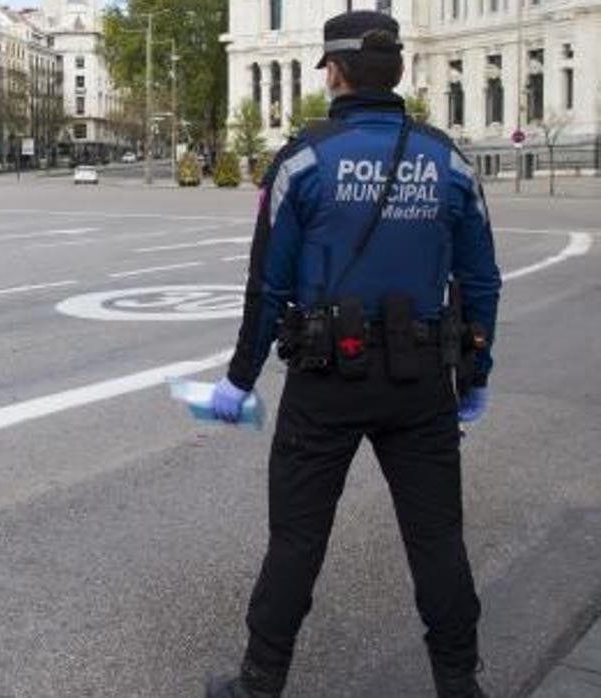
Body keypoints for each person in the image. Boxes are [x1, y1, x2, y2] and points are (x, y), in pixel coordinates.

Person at [204, 11, 500, 698]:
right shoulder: (448, 158)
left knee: (297, 542)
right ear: (398, 74)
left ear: (334, 73)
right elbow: (481, 280)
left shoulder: (304, 158)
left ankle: (259, 682)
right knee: (437, 542)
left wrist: (240, 379)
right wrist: (475, 374)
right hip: (421, 379)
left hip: (325, 380)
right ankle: (460, 684)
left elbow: (267, 283)